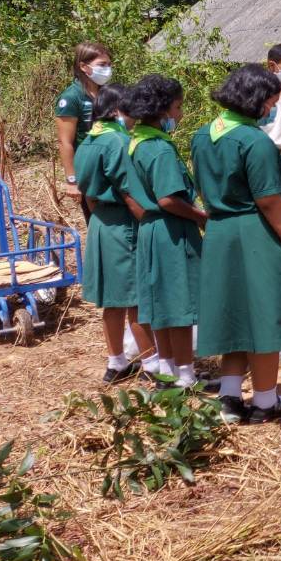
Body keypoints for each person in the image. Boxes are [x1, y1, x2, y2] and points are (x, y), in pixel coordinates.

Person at [190, 64, 281, 425]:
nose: (273, 108)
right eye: (272, 100)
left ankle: (229, 398)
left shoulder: (202, 135)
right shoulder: (254, 141)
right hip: (254, 233)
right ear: (257, 99)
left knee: (233, 316)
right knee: (263, 317)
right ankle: (265, 400)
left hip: (219, 232)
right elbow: (270, 201)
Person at [72, 83, 161, 384]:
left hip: (101, 223)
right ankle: (152, 365)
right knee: (136, 298)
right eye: (131, 110)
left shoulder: (87, 142)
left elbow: (87, 194)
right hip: (123, 225)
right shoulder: (118, 142)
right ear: (117, 111)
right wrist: (150, 222)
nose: (135, 117)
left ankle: (117, 362)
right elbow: (128, 190)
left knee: (113, 299)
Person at [124, 75, 205, 388]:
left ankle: (167, 370)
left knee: (161, 304)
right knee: (179, 304)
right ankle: (186, 375)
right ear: (163, 109)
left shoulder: (136, 142)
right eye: (178, 106)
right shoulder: (158, 149)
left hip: (151, 230)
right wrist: (200, 217)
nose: (180, 114)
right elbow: (168, 199)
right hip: (171, 231)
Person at [56, 41, 112, 206]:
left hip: (110, 166)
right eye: (102, 64)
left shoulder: (107, 93)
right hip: (89, 171)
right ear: (83, 66)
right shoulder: (71, 98)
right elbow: (64, 142)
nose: (107, 69)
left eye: (109, 64)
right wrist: (72, 181)